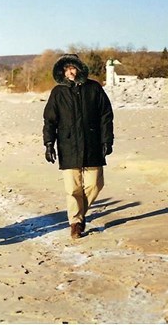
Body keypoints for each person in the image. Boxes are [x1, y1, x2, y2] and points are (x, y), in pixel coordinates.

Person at [43, 54, 114, 239]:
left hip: (92, 143)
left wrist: (107, 140)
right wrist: (49, 144)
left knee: (96, 184)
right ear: (61, 72)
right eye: (66, 69)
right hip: (68, 145)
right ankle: (75, 222)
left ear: (79, 68)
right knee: (72, 188)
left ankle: (79, 214)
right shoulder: (58, 92)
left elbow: (106, 115)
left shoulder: (94, 88)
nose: (70, 72)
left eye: (72, 68)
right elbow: (50, 120)